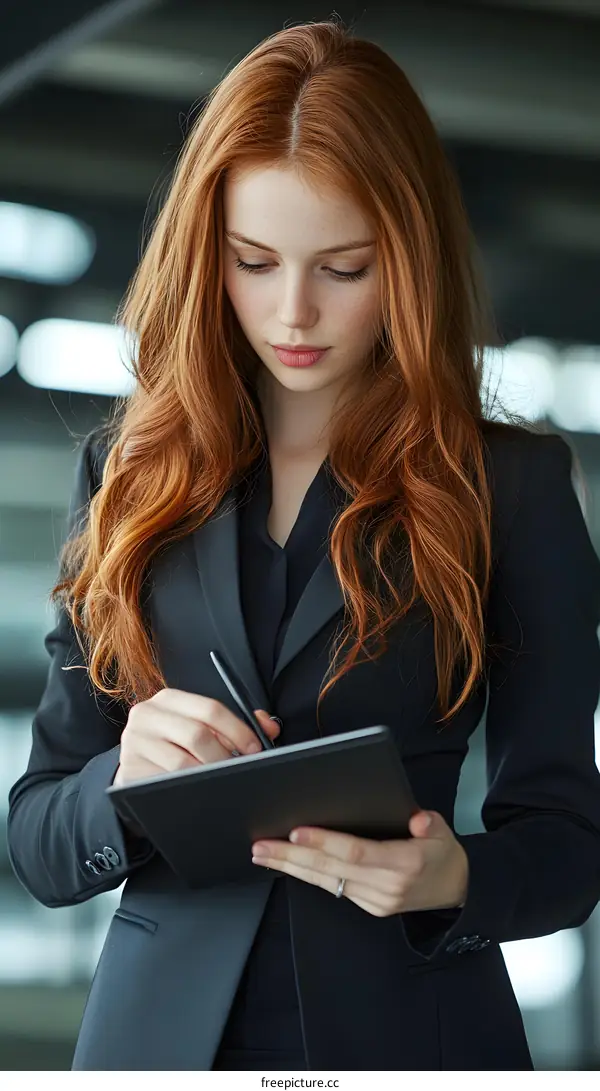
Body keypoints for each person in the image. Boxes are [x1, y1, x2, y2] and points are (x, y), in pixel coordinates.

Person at [6, 18, 600, 1073]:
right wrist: (118, 777)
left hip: (411, 1032)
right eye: (253, 261)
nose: (293, 311)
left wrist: (452, 877)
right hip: (156, 1045)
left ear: (407, 258)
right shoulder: (126, 473)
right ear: (208, 255)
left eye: (344, 267)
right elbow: (40, 838)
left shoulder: (509, 486)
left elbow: (565, 843)